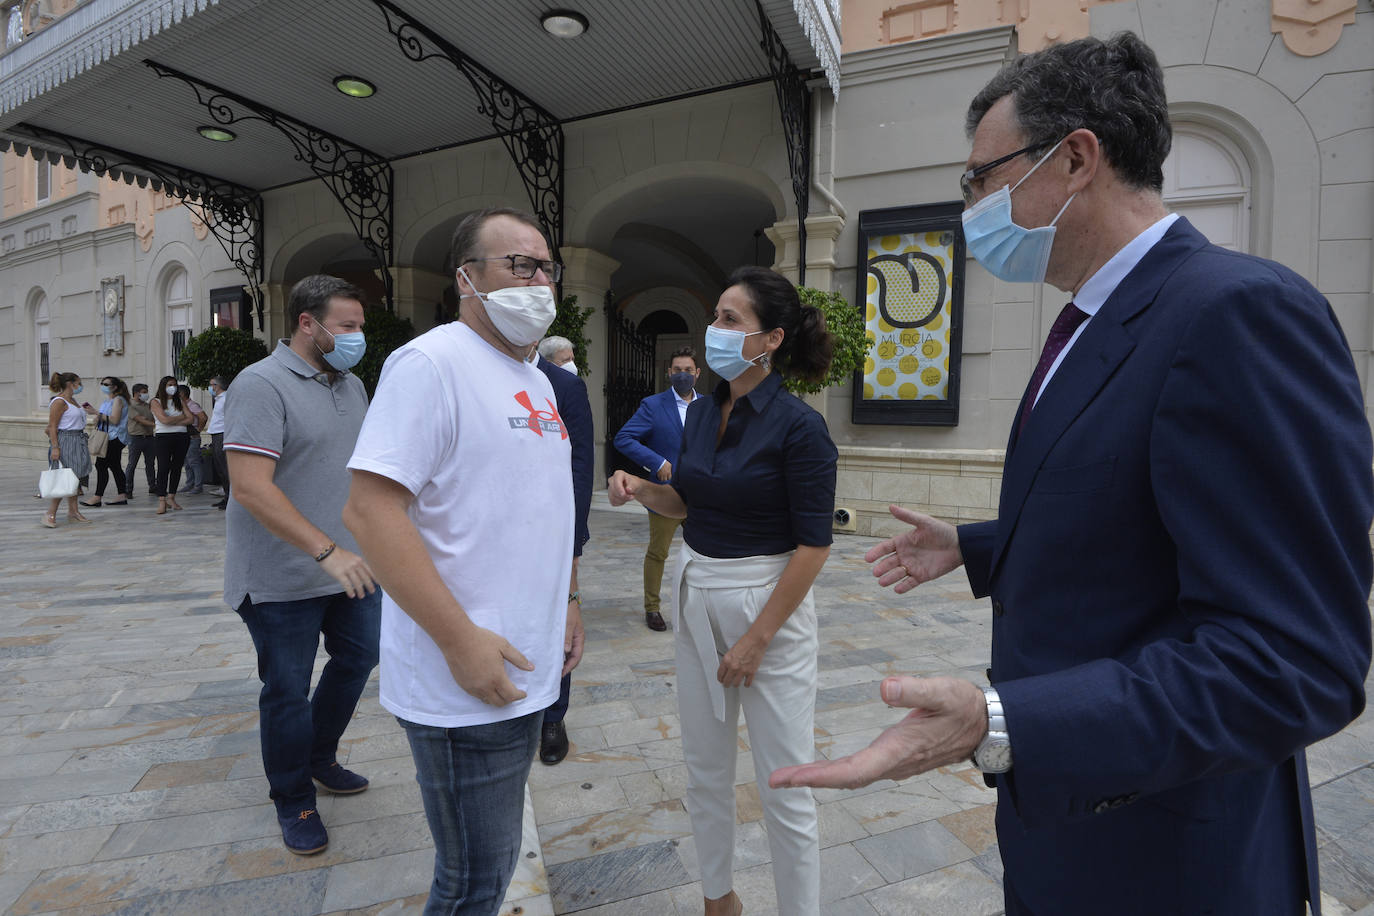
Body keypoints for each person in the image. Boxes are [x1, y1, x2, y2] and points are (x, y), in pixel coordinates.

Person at [769, 33, 1374, 916]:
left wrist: (1004, 721)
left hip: (1167, 859)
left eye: (981, 176)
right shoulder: (1097, 318)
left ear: (1076, 157)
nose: (972, 202)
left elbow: (1296, 658)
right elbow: (1140, 506)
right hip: (1072, 839)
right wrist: (978, 546)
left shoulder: (1235, 312)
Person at [344, 207, 583, 915]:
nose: (539, 281)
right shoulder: (430, 363)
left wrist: (567, 602)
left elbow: (542, 509)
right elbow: (370, 511)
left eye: (547, 267)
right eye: (520, 265)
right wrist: (459, 641)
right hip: (465, 682)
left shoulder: (537, 379)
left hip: (526, 667)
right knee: (473, 880)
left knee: (498, 861)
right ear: (467, 279)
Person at [608, 266, 838, 916]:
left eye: (730, 320)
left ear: (771, 340)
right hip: (696, 589)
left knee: (784, 783)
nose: (714, 330)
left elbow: (814, 546)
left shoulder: (800, 428)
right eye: (715, 316)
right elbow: (687, 501)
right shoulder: (703, 410)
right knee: (704, 770)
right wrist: (642, 489)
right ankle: (719, 898)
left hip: (767, 605)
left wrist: (757, 640)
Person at [223, 274, 380, 856]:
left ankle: (318, 755)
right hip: (281, 575)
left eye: (360, 326)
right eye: (347, 326)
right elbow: (250, 488)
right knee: (287, 687)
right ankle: (293, 798)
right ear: (307, 324)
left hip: (351, 566)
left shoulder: (353, 384)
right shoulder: (261, 385)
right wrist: (325, 550)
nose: (357, 336)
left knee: (362, 655)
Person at [534, 335, 594, 765]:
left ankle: (553, 717)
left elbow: (579, 467)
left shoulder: (564, 386)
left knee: (559, 624)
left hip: (551, 534)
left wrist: (571, 544)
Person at [612, 346, 702, 631]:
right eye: (677, 370)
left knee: (704, 553)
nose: (683, 375)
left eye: (688, 370)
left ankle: (699, 607)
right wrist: (657, 460)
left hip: (702, 494)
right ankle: (652, 607)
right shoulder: (653, 405)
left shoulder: (709, 407)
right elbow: (623, 438)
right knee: (658, 553)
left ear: (697, 374)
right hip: (666, 493)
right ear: (669, 373)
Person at [42, 371, 95, 527]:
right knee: (65, 477)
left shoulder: (73, 401)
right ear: (71, 384)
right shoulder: (59, 402)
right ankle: (50, 513)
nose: (80, 386)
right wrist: (55, 447)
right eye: (79, 383)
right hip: (66, 441)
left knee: (76, 477)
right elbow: (52, 426)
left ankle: (73, 511)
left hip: (78, 440)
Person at [81, 376, 130, 507]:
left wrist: (95, 412)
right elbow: (102, 418)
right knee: (115, 466)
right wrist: (95, 415)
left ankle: (97, 497)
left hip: (115, 437)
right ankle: (121, 494)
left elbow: (114, 420)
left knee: (101, 465)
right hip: (107, 437)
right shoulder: (107, 401)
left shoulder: (119, 400)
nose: (103, 385)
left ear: (114, 386)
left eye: (106, 384)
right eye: (102, 383)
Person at [149, 375, 192, 514]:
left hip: (182, 436)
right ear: (163, 386)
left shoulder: (179, 400)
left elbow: (191, 418)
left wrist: (172, 420)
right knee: (163, 467)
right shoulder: (155, 402)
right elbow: (164, 420)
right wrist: (180, 418)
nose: (172, 387)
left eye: (174, 384)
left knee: (177, 467)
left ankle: (171, 497)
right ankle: (162, 499)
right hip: (163, 437)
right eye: (169, 384)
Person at [123, 383, 156, 498]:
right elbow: (140, 419)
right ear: (136, 393)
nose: (146, 394)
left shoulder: (148, 406)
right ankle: (128, 489)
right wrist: (158, 425)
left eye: (146, 391)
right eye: (144, 392)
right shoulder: (130, 405)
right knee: (132, 464)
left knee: (150, 464)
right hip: (135, 438)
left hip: (149, 437)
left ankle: (153, 486)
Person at [207, 375, 231, 510]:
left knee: (225, 467)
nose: (210, 388)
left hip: (222, 434)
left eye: (212, 385)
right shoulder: (218, 399)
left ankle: (231, 498)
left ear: (218, 386)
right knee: (220, 468)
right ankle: (227, 496)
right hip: (216, 433)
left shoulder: (226, 398)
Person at [178, 383, 206, 495]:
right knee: (187, 462)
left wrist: (198, 430)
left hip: (192, 437)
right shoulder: (182, 405)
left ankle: (198, 485)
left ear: (182, 394)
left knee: (194, 461)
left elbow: (203, 417)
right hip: (184, 437)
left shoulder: (192, 405)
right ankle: (190, 483)